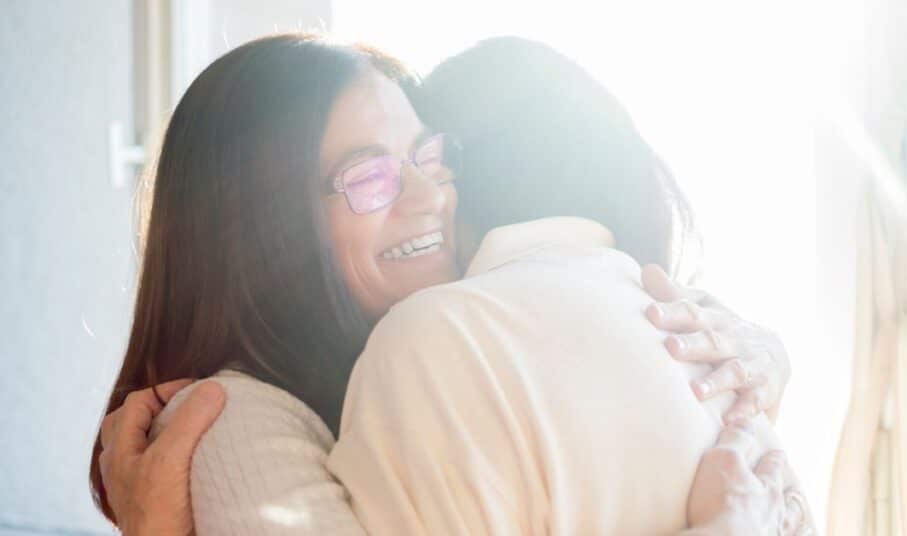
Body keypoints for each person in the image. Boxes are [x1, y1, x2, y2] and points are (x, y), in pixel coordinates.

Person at [91, 33, 800, 534]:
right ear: (259, 230)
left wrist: (763, 356)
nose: (431, 196)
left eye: (429, 154)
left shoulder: (408, 366)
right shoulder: (230, 421)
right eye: (370, 176)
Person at [326, 37, 805, 534]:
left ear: (465, 168)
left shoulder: (436, 340)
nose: (422, 193)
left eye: (429, 158)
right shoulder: (703, 348)